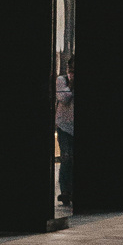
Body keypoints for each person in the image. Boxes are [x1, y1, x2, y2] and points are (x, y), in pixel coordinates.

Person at [54, 59, 74, 206]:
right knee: (66, 157)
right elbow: (63, 98)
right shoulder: (62, 80)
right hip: (64, 127)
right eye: (70, 69)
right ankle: (65, 191)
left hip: (75, 127)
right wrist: (72, 86)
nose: (71, 72)